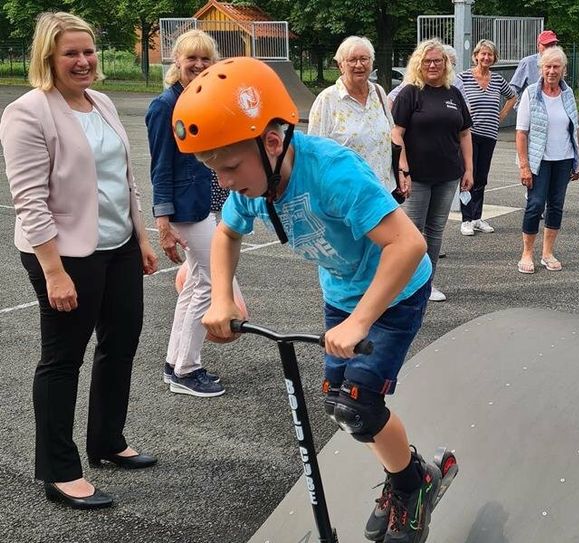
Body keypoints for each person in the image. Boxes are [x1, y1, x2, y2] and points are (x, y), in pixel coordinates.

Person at [175, 57, 442, 543]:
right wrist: (221, 297)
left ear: (272, 141)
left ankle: (415, 484)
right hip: (342, 292)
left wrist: (361, 322)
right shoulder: (256, 181)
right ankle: (409, 475)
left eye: (230, 167)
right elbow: (225, 235)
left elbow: (409, 245)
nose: (225, 182)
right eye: (214, 170)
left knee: (360, 402)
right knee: (340, 405)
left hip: (394, 290)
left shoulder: (333, 173)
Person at [0, 11, 159, 510]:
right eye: (71, 53)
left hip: (119, 246)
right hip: (64, 253)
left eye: (88, 51)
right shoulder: (28, 112)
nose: (84, 61)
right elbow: (28, 199)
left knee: (122, 343)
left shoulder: (103, 102)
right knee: (63, 359)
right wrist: (53, 271)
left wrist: (143, 237)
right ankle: (59, 470)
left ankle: (107, 441)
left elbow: (125, 177)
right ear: (49, 58)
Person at [146, 29, 230, 398]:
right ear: (176, 61)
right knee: (210, 283)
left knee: (196, 283)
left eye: (205, 59)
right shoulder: (165, 106)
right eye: (190, 58)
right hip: (185, 209)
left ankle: (175, 363)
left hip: (207, 203)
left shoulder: (205, 99)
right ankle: (188, 370)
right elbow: (160, 167)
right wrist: (162, 221)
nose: (198, 65)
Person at [391, 39, 473, 302]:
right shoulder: (410, 93)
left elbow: (465, 133)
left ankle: (427, 284)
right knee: (413, 232)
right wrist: (403, 168)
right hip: (418, 177)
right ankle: (407, 286)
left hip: (448, 174)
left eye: (438, 60)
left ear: (446, 64)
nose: (433, 65)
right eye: (427, 61)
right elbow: (396, 133)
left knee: (436, 230)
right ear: (419, 64)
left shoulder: (454, 94)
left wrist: (469, 169)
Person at [307, 36, 407, 199]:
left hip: (383, 193)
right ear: (341, 65)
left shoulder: (379, 93)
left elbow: (390, 135)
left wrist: (400, 172)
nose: (359, 65)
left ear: (371, 62)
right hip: (347, 197)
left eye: (364, 59)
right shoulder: (327, 100)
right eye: (352, 60)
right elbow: (314, 155)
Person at [515, 46, 579, 274]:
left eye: (556, 66)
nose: (552, 71)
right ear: (540, 68)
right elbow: (521, 133)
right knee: (535, 205)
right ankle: (527, 253)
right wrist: (524, 166)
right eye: (547, 66)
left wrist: (578, 159)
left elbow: (574, 128)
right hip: (538, 161)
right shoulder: (530, 94)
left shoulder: (568, 93)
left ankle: (547, 253)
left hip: (563, 159)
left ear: (564, 69)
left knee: (556, 206)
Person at [454, 39, 517, 236]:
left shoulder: (497, 79)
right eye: (483, 54)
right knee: (467, 177)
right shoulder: (463, 77)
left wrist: (502, 115)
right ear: (476, 56)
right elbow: (453, 96)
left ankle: (477, 216)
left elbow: (512, 96)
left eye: (490, 54)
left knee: (481, 177)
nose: (486, 57)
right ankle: (466, 219)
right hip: (469, 135)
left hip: (489, 134)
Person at [510, 30, 559, 98]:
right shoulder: (527, 63)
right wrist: (522, 106)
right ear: (538, 45)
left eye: (552, 45)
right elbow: (513, 90)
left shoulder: (559, 63)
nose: (549, 48)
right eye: (546, 44)